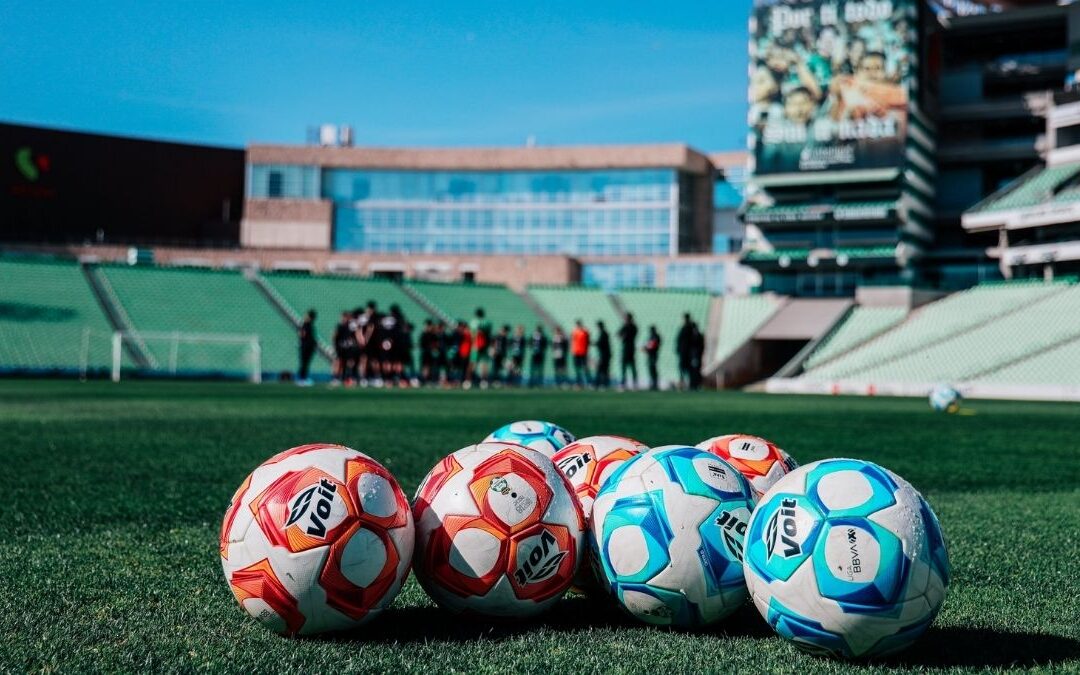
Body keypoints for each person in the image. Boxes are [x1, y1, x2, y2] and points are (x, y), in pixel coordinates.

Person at [469, 308, 492, 388]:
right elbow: (489, 334)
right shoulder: (487, 322)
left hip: (475, 345)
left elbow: (472, 334)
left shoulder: (473, 322)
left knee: (472, 363)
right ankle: (484, 381)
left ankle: (468, 381)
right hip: (485, 345)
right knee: (484, 363)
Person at [332, 311, 355, 385]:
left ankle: (347, 377)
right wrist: (335, 346)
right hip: (340, 347)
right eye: (344, 317)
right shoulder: (339, 326)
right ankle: (336, 378)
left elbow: (353, 336)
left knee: (349, 362)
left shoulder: (351, 326)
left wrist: (352, 342)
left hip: (348, 348)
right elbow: (334, 336)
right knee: (339, 362)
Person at [617, 312, 638, 390]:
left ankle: (631, 383)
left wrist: (624, 336)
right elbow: (618, 334)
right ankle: (627, 383)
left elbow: (620, 335)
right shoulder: (630, 326)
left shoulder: (630, 327)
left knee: (629, 367)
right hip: (628, 348)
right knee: (626, 367)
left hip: (628, 348)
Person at [297, 309, 317, 385]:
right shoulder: (307, 325)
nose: (305, 316)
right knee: (304, 362)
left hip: (306, 346)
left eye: (306, 315)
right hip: (306, 346)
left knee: (305, 363)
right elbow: (303, 334)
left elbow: (302, 334)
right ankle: (302, 379)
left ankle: (303, 378)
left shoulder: (306, 324)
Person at [676, 313, 695, 390]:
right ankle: (685, 383)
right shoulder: (687, 327)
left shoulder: (689, 328)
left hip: (686, 352)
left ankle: (688, 384)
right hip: (684, 351)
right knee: (683, 368)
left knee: (686, 368)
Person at [570, 319, 590, 389]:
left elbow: (588, 341)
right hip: (576, 352)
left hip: (583, 352)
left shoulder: (585, 331)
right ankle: (579, 383)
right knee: (577, 369)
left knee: (585, 368)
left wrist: (587, 350)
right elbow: (573, 341)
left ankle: (587, 383)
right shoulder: (574, 332)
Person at [594, 320, 611, 389]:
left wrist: (594, 343)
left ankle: (599, 384)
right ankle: (603, 384)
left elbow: (601, 343)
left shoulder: (603, 333)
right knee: (604, 370)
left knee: (601, 369)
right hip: (605, 354)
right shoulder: (604, 333)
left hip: (604, 355)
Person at [643, 325, 661, 391]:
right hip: (651, 355)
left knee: (653, 369)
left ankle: (654, 384)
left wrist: (646, 349)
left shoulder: (655, 337)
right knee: (651, 369)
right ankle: (653, 384)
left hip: (653, 355)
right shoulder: (653, 337)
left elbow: (652, 345)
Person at [691, 322, 706, 391]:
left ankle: (696, 384)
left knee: (696, 371)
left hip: (696, 355)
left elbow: (701, 346)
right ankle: (695, 384)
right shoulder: (697, 336)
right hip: (695, 355)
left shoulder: (697, 336)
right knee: (695, 371)